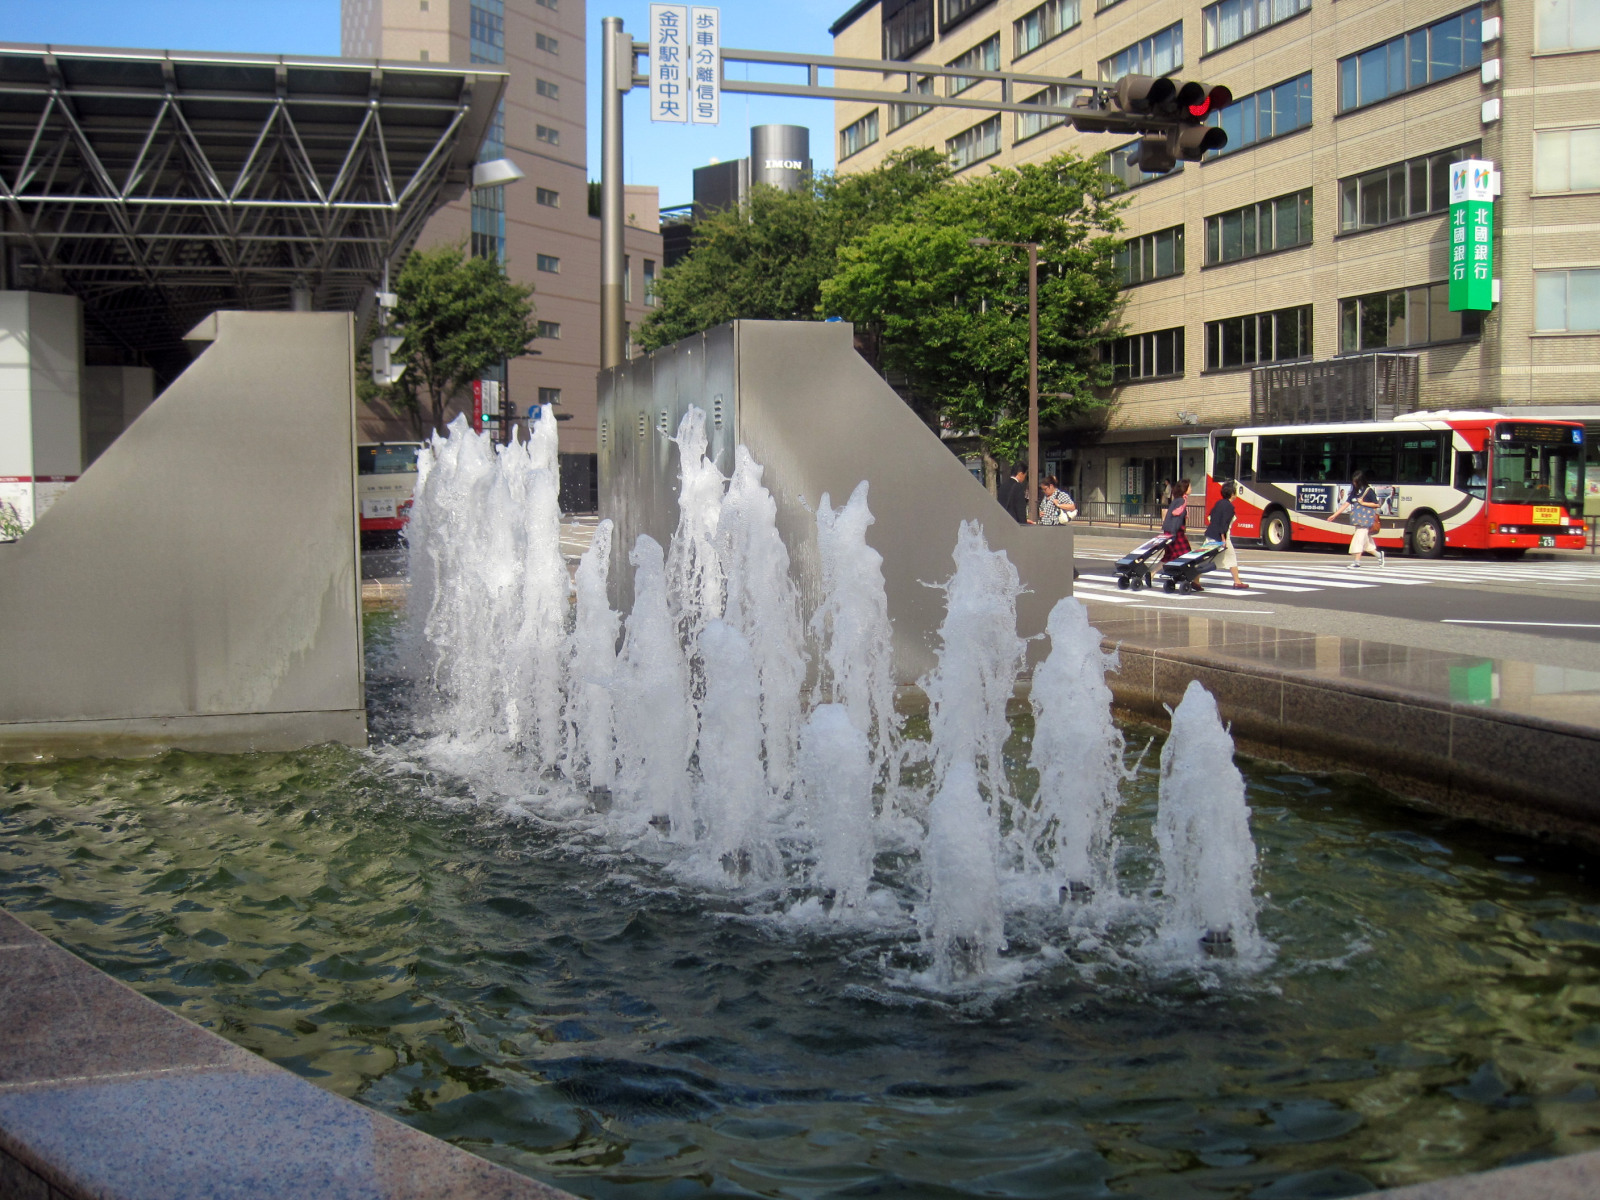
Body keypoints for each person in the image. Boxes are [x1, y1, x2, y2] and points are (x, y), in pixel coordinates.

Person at [1330, 469, 1385, 569]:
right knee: (1366, 544)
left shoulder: (1368, 491)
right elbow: (1346, 504)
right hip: (1358, 521)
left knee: (1358, 539)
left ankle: (1357, 562)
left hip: (1366, 522)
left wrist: (1363, 503)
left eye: (1356, 481)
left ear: (1360, 481)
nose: (1354, 483)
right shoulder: (1354, 491)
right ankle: (1379, 555)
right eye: (1353, 481)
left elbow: (1377, 504)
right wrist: (1335, 515)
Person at [1202, 480, 1247, 589]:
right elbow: (1224, 523)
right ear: (1232, 494)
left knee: (1203, 559)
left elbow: (1211, 516)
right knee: (1231, 557)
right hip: (1220, 537)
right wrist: (1223, 539)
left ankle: (1196, 581)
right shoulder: (1229, 507)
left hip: (1210, 533)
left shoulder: (1219, 503)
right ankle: (1237, 582)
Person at [1160, 478, 1192, 575]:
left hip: (1169, 530)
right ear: (1184, 489)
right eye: (1189, 487)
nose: (1191, 489)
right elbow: (1176, 517)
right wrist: (1174, 533)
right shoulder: (1181, 501)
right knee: (1186, 553)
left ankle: (1152, 573)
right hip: (1176, 532)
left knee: (1169, 555)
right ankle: (1185, 575)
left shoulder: (1177, 500)